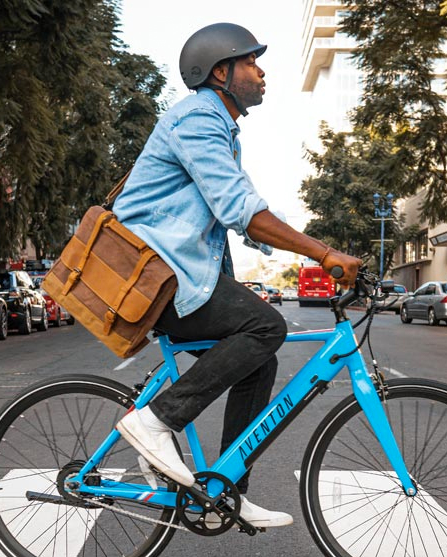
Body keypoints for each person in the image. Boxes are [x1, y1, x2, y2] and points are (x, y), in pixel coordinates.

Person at [112, 23, 361, 528]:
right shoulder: (197, 119)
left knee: (260, 361)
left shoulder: (219, 127)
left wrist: (308, 245)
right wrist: (324, 253)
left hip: (178, 273)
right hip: (153, 275)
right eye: (251, 62)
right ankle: (156, 420)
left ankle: (226, 491)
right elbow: (239, 210)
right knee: (267, 326)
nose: (261, 71)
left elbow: (248, 219)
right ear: (221, 72)